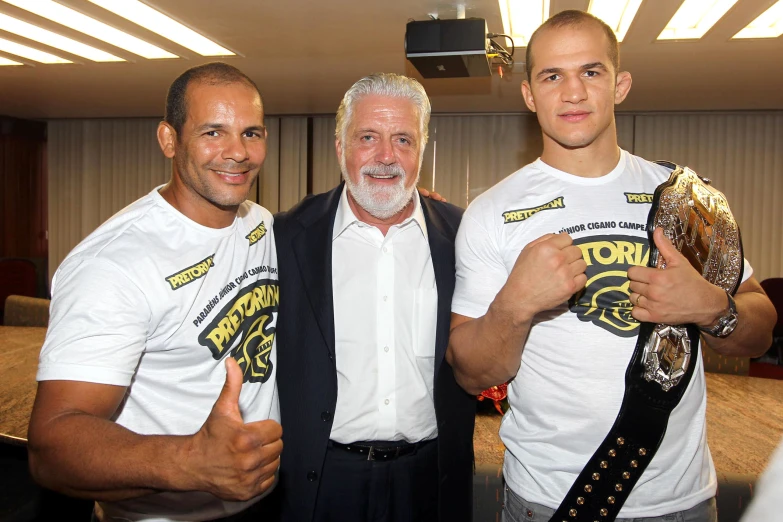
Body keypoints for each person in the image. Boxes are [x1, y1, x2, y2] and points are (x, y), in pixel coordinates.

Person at [446, 10, 776, 522]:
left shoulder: (685, 199)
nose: (572, 92)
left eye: (591, 72)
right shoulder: (493, 211)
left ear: (620, 84)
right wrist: (516, 304)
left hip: (681, 501)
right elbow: (472, 374)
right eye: (552, 76)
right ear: (529, 94)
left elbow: (760, 327)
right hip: (548, 498)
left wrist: (714, 308)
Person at [27, 62, 283, 522]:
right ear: (169, 139)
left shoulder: (259, 223)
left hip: (264, 503)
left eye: (252, 133)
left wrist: (406, 203)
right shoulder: (113, 263)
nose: (237, 152)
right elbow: (53, 445)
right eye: (213, 132)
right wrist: (192, 461)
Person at [272, 73, 476, 522]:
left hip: (432, 480)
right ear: (341, 147)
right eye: (369, 137)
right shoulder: (285, 236)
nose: (387, 157)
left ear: (421, 149)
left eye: (403, 139)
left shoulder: (464, 235)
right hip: (321, 481)